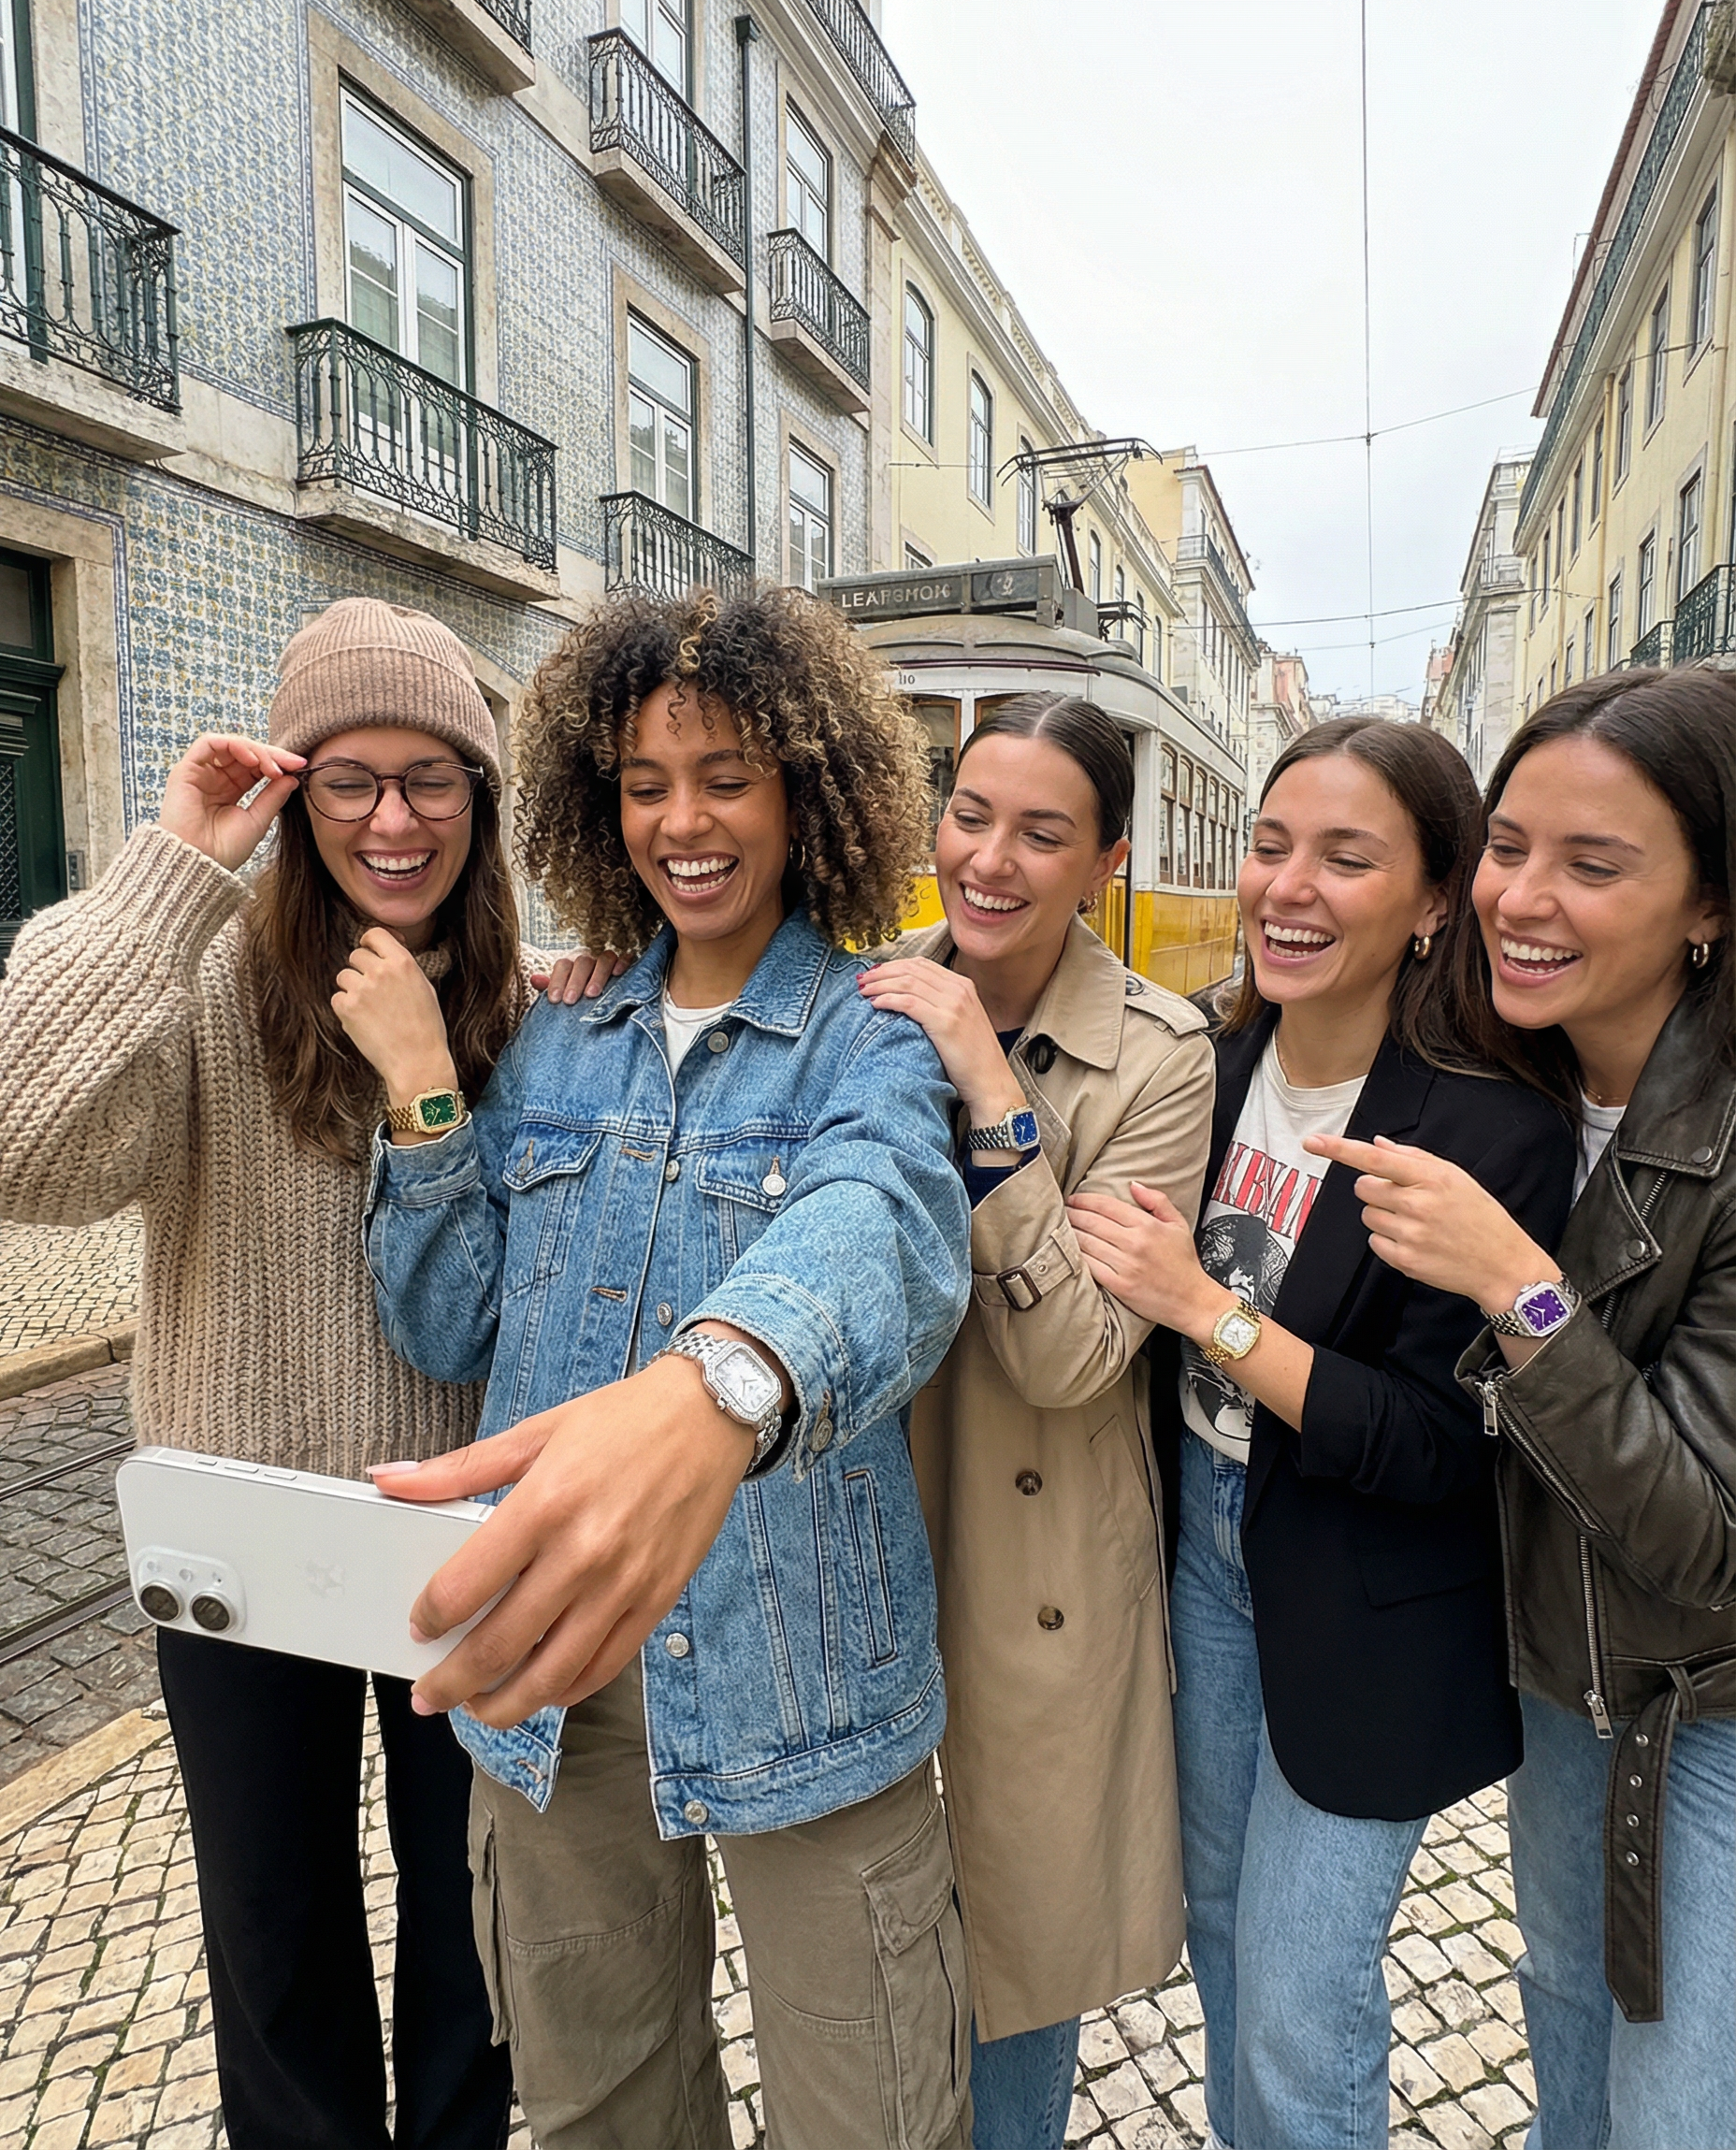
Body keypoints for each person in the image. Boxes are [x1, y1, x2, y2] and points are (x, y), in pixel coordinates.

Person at [340, 586, 975, 2150]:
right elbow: (447, 1329)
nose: (682, 821)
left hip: (806, 1678)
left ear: (807, 792)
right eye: (642, 783)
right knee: (599, 2108)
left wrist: (727, 1381)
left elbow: (887, 1219)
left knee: (872, 2120)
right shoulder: (555, 1033)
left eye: (727, 776)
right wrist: (426, 1090)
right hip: (555, 1681)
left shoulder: (870, 1030)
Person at [0, 598, 523, 2150]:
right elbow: (23, 1153)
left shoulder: (531, 1000)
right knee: (272, 1934)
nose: (393, 817)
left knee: (472, 1935)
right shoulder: (205, 981)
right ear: (293, 793)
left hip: (463, 1536)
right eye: (351, 776)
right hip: (239, 1534)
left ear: (479, 802)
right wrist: (174, 874)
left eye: (433, 777)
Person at [1065, 716, 1576, 2150]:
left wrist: (1206, 1312)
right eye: (1271, 845)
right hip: (1207, 1559)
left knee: (1299, 1997)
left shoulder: (1490, 1131)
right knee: (1222, 1937)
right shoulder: (1209, 1065)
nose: (1288, 886)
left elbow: (1443, 1445)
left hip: (1376, 1602)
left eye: (1346, 858)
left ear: (1432, 903)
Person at [1309, 669, 1736, 2150]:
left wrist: (1517, 1287)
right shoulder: (1505, 1072)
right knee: (1569, 2032)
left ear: (1709, 907)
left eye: (1592, 865)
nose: (1523, 900)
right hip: (1568, 1683)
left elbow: (1705, 1537)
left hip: (1708, 1712)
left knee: (1676, 2110)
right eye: (1508, 847)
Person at [857, 693, 1214, 2150]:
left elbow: (1074, 1355)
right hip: (876, 1520)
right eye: (971, 815)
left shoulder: (1159, 1055)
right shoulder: (862, 991)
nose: (990, 860)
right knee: (866, 1956)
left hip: (1045, 1559)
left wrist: (990, 1086)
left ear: (1105, 862)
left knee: (1015, 1955)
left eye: (1042, 833)